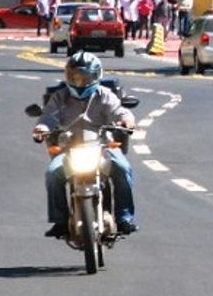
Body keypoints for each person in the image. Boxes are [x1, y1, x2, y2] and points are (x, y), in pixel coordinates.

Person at [31, 52, 138, 237]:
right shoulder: (59, 97)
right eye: (75, 77)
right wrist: (41, 129)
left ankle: (124, 218)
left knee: (123, 168)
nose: (80, 82)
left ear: (96, 76)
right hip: (70, 149)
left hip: (102, 146)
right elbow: (47, 117)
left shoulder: (105, 95)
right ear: (67, 76)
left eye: (85, 77)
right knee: (52, 174)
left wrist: (126, 122)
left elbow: (120, 112)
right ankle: (60, 221)